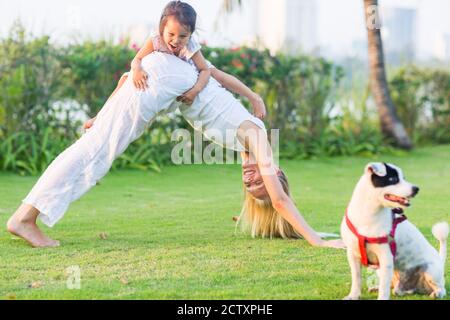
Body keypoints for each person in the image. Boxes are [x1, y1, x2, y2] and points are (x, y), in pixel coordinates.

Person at [6, 51, 344, 249]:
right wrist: (318, 240)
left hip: (167, 75)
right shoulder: (259, 140)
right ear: (277, 174)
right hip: (167, 80)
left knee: (96, 144)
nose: (249, 177)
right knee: (95, 153)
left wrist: (253, 95)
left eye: (248, 185)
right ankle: (24, 219)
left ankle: (27, 216)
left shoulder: (247, 149)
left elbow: (212, 75)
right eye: (262, 181)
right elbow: (282, 201)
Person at [84, 0, 265, 132]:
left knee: (218, 74)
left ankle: (253, 97)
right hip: (165, 75)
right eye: (171, 34)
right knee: (124, 79)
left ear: (190, 35)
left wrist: (195, 90)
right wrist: (137, 70)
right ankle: (99, 117)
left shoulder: (191, 46)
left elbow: (204, 70)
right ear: (162, 28)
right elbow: (136, 59)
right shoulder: (155, 40)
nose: (176, 40)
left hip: (189, 71)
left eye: (183, 36)